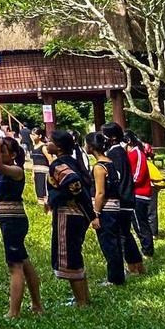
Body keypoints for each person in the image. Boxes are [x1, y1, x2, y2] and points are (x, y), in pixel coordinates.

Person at [0, 137, 43, 317]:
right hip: (9, 220)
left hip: (14, 222)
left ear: (13, 155)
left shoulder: (16, 170)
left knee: (15, 266)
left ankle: (14, 312)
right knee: (24, 262)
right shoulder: (4, 172)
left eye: (2, 150)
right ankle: (37, 305)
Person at [44, 130, 96, 306]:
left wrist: (56, 198)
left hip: (68, 214)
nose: (47, 143)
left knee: (70, 258)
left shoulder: (59, 164)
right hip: (79, 215)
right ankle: (85, 297)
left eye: (50, 141)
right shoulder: (74, 161)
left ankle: (81, 301)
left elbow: (74, 184)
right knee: (76, 254)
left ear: (59, 147)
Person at [101, 123, 145, 275]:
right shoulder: (119, 151)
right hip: (126, 198)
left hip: (122, 199)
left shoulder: (115, 153)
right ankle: (137, 265)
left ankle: (132, 267)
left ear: (112, 137)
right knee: (125, 233)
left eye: (104, 135)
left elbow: (117, 178)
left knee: (122, 235)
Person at [86, 131, 126, 286]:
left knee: (108, 244)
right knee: (115, 243)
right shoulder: (110, 162)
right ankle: (118, 276)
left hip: (105, 210)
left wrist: (95, 214)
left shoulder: (99, 167)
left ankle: (113, 279)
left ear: (91, 147)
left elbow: (100, 192)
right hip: (115, 208)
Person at [125, 131, 155, 258]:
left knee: (140, 224)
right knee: (139, 224)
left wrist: (126, 185)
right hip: (136, 193)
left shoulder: (136, 153)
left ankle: (147, 251)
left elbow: (138, 175)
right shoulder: (132, 153)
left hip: (139, 194)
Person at [28, 128, 48, 205]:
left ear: (40, 136)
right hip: (37, 172)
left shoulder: (43, 147)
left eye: (34, 134)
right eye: (31, 134)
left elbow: (50, 160)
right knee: (38, 191)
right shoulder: (33, 147)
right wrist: (33, 173)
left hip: (44, 173)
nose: (32, 136)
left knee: (44, 192)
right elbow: (34, 161)